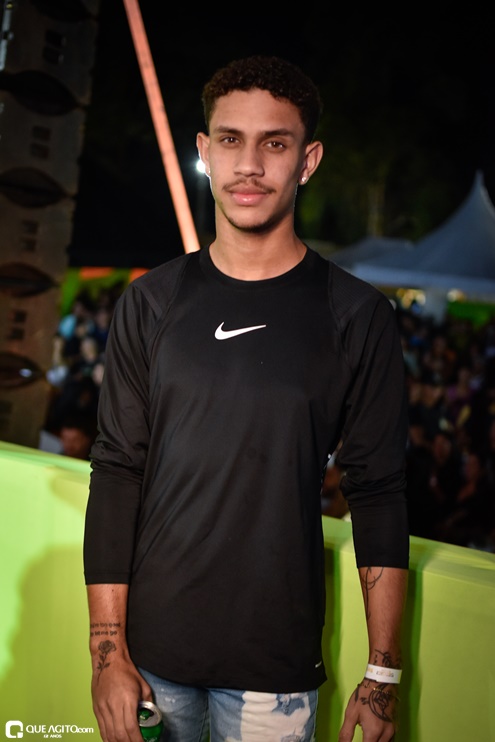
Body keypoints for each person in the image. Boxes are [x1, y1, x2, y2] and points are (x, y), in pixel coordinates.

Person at [83, 55, 409, 742]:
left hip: (274, 669)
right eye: (231, 140)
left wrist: (382, 676)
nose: (250, 165)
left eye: (275, 143)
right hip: (150, 658)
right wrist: (106, 655)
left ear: (307, 161)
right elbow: (116, 472)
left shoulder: (357, 315)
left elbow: (378, 491)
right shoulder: (150, 302)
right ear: (205, 152)